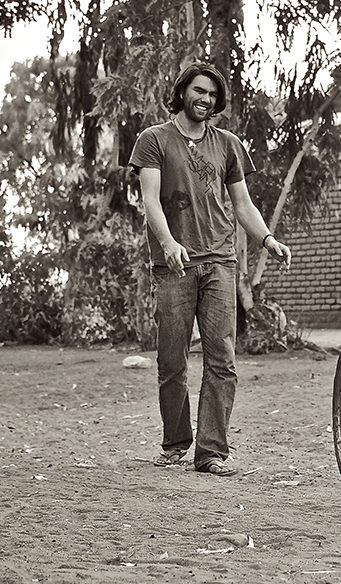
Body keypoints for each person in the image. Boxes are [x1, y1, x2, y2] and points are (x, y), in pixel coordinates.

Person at [128, 61, 291, 477]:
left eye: (213, 95)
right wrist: (168, 244)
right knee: (172, 361)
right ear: (184, 91)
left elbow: (242, 204)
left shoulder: (229, 144)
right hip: (174, 266)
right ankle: (176, 442)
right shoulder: (154, 140)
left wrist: (267, 239)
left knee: (223, 360)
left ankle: (211, 452)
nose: (205, 99)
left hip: (220, 261)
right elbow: (150, 201)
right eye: (199, 91)